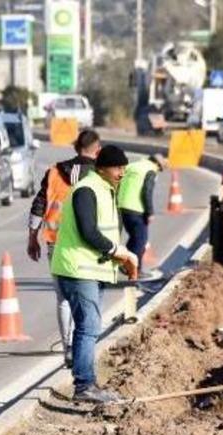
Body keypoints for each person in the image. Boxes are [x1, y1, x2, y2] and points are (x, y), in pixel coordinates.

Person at [51, 145, 138, 404]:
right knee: (88, 327)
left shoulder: (105, 189)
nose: (122, 173)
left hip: (91, 268)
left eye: (124, 168)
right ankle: (84, 385)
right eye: (118, 168)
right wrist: (117, 251)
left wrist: (118, 259)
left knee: (89, 327)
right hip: (78, 269)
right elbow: (88, 231)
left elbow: (105, 231)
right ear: (102, 168)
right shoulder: (86, 190)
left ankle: (87, 383)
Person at [27, 129, 101, 368]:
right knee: (89, 296)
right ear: (97, 149)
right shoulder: (100, 174)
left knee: (63, 298)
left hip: (56, 243)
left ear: (76, 147)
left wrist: (32, 237)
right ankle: (83, 345)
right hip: (88, 245)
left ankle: (68, 348)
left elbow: (39, 204)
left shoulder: (55, 171)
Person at [117, 153, 165, 280]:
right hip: (136, 208)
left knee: (135, 239)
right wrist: (150, 212)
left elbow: (118, 182)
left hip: (122, 206)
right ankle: (129, 266)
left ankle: (131, 267)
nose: (158, 171)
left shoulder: (132, 166)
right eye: (160, 169)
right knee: (140, 241)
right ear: (157, 164)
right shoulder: (151, 170)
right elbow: (147, 191)